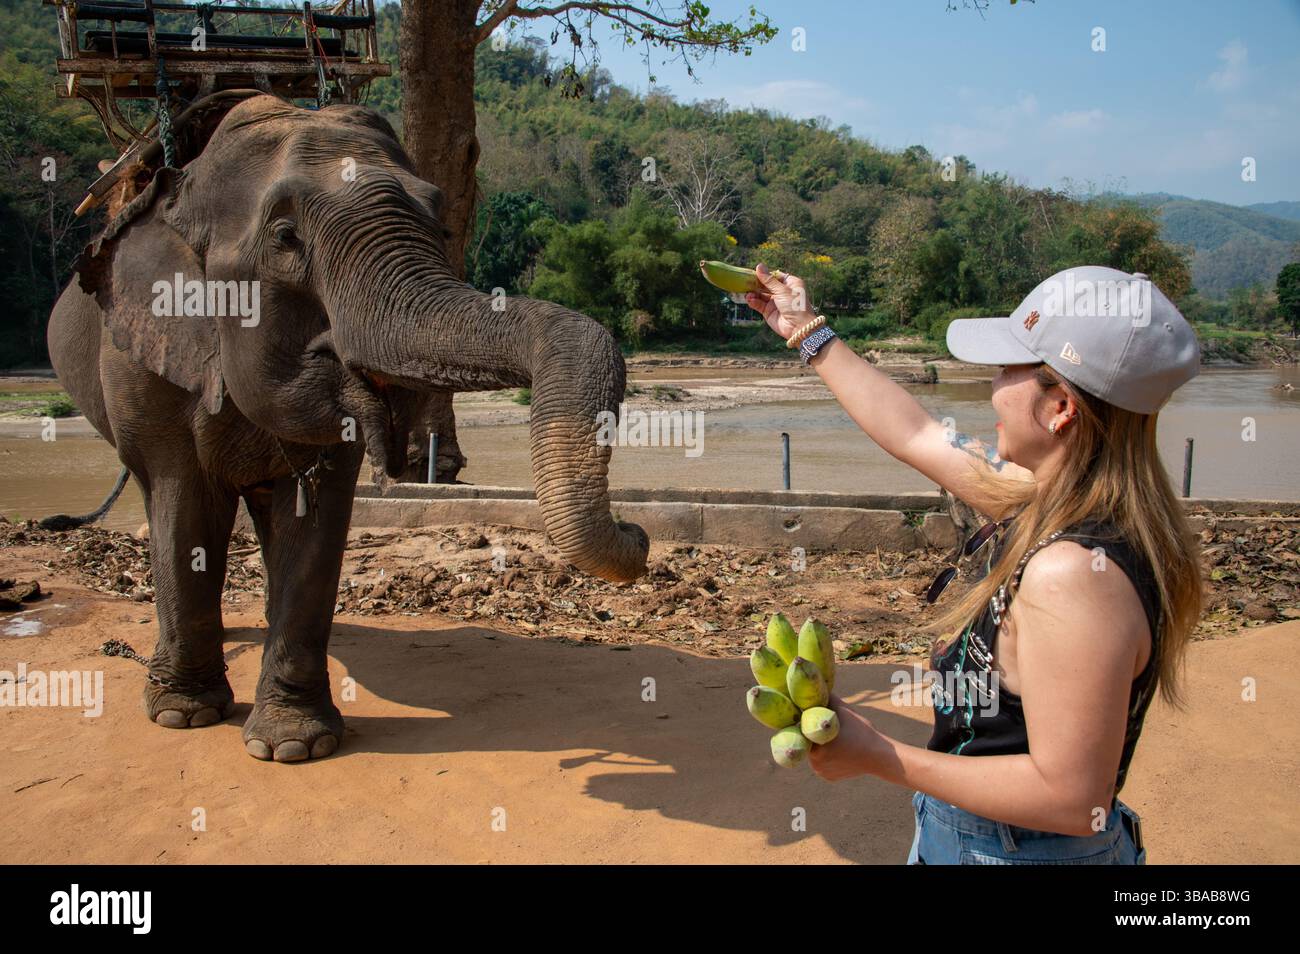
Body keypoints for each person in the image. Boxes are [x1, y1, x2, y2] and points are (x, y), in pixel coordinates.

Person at [746, 263, 1204, 864]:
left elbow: (1070, 796)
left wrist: (879, 754)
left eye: (1007, 367)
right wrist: (807, 331)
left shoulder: (1072, 574)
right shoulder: (1052, 499)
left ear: (1061, 406)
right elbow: (916, 433)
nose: (992, 383)